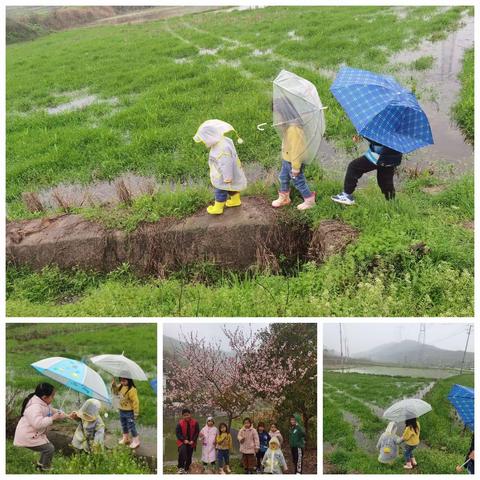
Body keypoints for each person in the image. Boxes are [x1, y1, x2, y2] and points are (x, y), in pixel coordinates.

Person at [193, 119, 247, 215]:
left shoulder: (222, 148)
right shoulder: (223, 140)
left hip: (224, 175)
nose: (204, 142)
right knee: (231, 187)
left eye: (204, 139)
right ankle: (235, 200)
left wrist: (227, 177)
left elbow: (226, 163)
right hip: (228, 173)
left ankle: (218, 207)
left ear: (210, 137)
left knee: (220, 189)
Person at [271, 98, 316, 211]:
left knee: (298, 181)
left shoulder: (294, 129)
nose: (276, 117)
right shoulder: (288, 126)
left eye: (278, 114)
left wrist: (296, 168)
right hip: (287, 159)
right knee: (283, 177)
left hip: (294, 161)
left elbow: (297, 150)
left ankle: (309, 200)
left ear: (285, 114)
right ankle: (284, 198)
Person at [331, 135, 402, 205]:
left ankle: (346, 195)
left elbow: (377, 141)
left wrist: (364, 135)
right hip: (392, 157)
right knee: (385, 181)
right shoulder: (399, 129)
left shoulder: (386, 129)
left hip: (382, 155)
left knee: (354, 167)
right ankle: (392, 203)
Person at [13, 383, 67, 472]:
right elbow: (37, 424)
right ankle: (45, 468)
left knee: (47, 448)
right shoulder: (34, 407)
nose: (53, 398)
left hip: (34, 434)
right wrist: (53, 418)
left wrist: (67, 415)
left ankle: (40, 465)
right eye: (52, 396)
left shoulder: (43, 403)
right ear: (45, 397)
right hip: (27, 436)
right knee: (49, 449)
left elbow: (53, 411)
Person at [111, 376, 140, 449]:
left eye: (124, 381)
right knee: (123, 425)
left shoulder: (132, 390)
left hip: (129, 412)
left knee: (131, 426)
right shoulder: (120, 386)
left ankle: (136, 441)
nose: (122, 382)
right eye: (121, 380)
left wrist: (136, 412)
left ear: (129, 380)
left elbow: (135, 401)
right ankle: (126, 438)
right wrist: (113, 385)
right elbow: (115, 392)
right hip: (122, 410)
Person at [176, 408, 200, 474]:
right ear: (182, 416)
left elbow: (197, 432)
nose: (186, 416)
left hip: (191, 442)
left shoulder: (195, 422)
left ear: (190, 414)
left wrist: (193, 440)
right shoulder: (180, 423)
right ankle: (180, 468)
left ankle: (187, 469)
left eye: (187, 415)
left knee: (189, 456)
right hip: (182, 441)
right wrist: (184, 440)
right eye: (184, 415)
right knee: (182, 453)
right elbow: (178, 433)